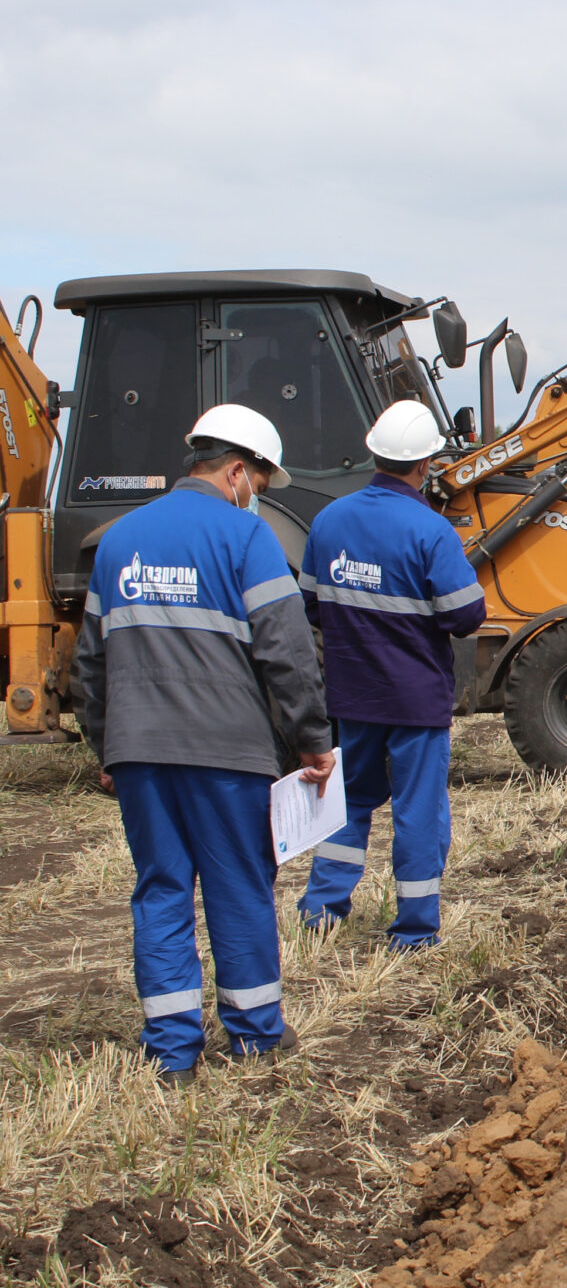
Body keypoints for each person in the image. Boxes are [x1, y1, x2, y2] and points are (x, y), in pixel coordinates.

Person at [73, 404, 334, 1084]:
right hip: (227, 751)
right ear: (238, 472)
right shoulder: (247, 541)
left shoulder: (119, 540)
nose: (259, 498)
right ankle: (254, 1034)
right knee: (239, 886)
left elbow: (89, 664)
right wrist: (312, 739)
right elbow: (287, 653)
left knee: (160, 889)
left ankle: (171, 1050)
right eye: (262, 487)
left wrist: (106, 748)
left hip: (138, 752)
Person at [297, 400, 486, 949]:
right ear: (425, 464)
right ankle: (415, 927)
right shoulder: (430, 531)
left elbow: (311, 606)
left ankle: (322, 911)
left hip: (351, 695)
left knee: (348, 802)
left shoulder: (329, 520)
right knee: (417, 810)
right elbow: (465, 615)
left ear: (374, 451)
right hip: (415, 701)